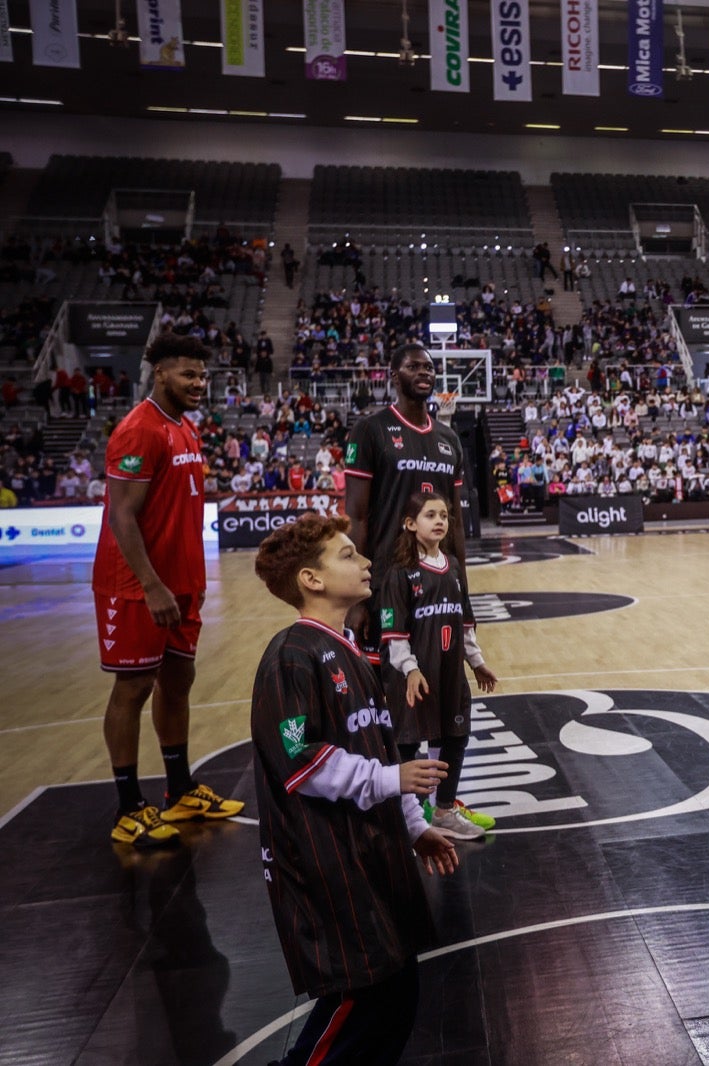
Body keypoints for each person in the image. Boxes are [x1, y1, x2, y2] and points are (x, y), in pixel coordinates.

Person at [250, 513, 459, 1064]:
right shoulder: (291, 655)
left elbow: (382, 749)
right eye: (347, 555)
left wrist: (414, 826)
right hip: (326, 863)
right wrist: (392, 780)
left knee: (396, 992)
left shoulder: (355, 654)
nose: (365, 561)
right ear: (311, 580)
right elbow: (302, 759)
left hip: (372, 852)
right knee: (361, 996)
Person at [95, 333, 244, 847]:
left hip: (180, 585)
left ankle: (179, 791)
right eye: (188, 374)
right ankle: (127, 807)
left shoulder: (185, 428)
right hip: (137, 586)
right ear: (160, 373)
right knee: (133, 687)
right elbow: (121, 515)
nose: (199, 383)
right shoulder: (138, 430)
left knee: (178, 679)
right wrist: (152, 584)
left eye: (203, 375)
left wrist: (189, 583)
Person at [379, 492, 499, 839]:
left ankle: (443, 810)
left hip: (449, 672)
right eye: (430, 515)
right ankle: (409, 815)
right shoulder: (400, 573)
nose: (439, 521)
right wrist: (410, 669)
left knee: (455, 736)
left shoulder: (454, 566)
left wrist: (476, 662)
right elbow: (394, 633)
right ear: (410, 523)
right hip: (413, 676)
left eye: (444, 515)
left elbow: (465, 623)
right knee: (407, 743)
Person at [344, 343, 471, 654]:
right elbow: (356, 518)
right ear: (394, 376)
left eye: (428, 367)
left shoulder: (449, 439)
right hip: (387, 582)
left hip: (440, 584)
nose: (423, 372)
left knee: (439, 676)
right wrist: (356, 597)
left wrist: (464, 592)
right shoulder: (369, 430)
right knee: (390, 677)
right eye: (413, 367)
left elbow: (455, 523)